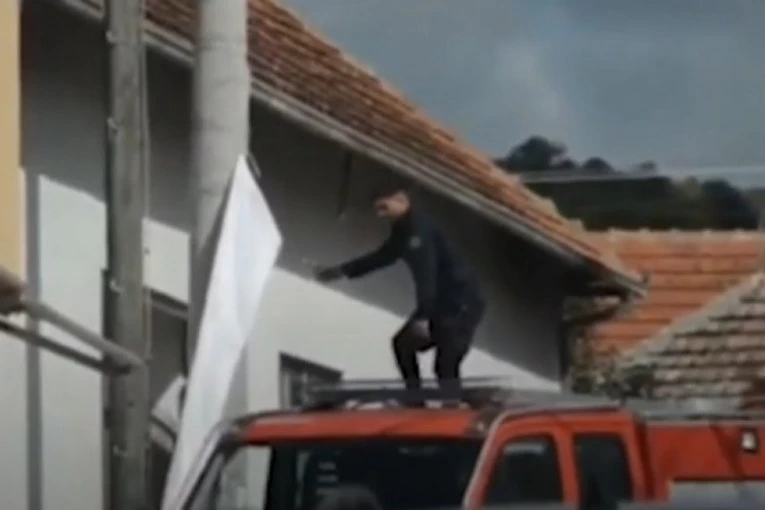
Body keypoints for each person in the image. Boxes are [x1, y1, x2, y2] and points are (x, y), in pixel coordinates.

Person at [314, 186, 485, 398]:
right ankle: (415, 399)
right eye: (377, 209)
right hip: (440, 303)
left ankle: (458, 406)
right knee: (403, 344)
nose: (380, 214)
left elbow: (426, 273)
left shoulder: (418, 229)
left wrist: (423, 317)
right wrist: (339, 271)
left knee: (445, 365)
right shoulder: (402, 231)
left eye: (383, 207)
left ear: (401, 200)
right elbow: (381, 257)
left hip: (460, 303)